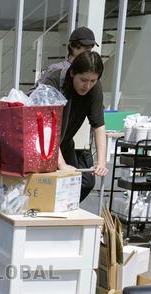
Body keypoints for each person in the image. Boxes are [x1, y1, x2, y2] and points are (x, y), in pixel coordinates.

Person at [51, 51, 108, 202]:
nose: (87, 86)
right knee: (51, 182)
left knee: (85, 183)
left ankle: (66, 216)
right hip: (43, 144)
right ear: (72, 73)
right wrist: (61, 164)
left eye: (92, 81)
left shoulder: (94, 88)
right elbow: (46, 128)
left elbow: (99, 125)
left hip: (65, 142)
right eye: (83, 80)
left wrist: (101, 162)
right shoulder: (55, 80)